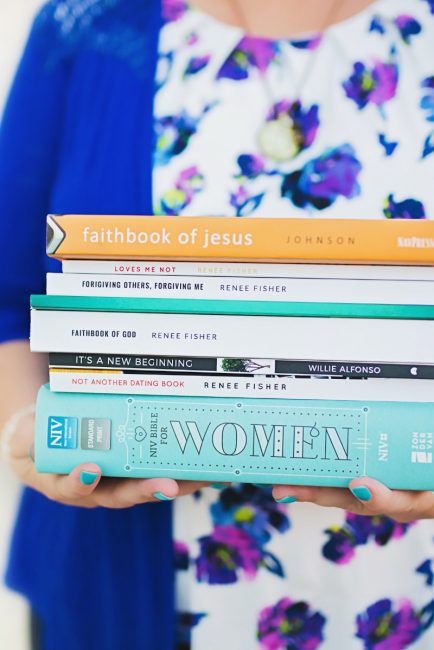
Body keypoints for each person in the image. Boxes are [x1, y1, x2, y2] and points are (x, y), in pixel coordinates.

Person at [1, 0, 434, 648]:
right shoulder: (87, 25)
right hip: (116, 593)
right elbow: (9, 296)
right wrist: (35, 430)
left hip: (395, 595)